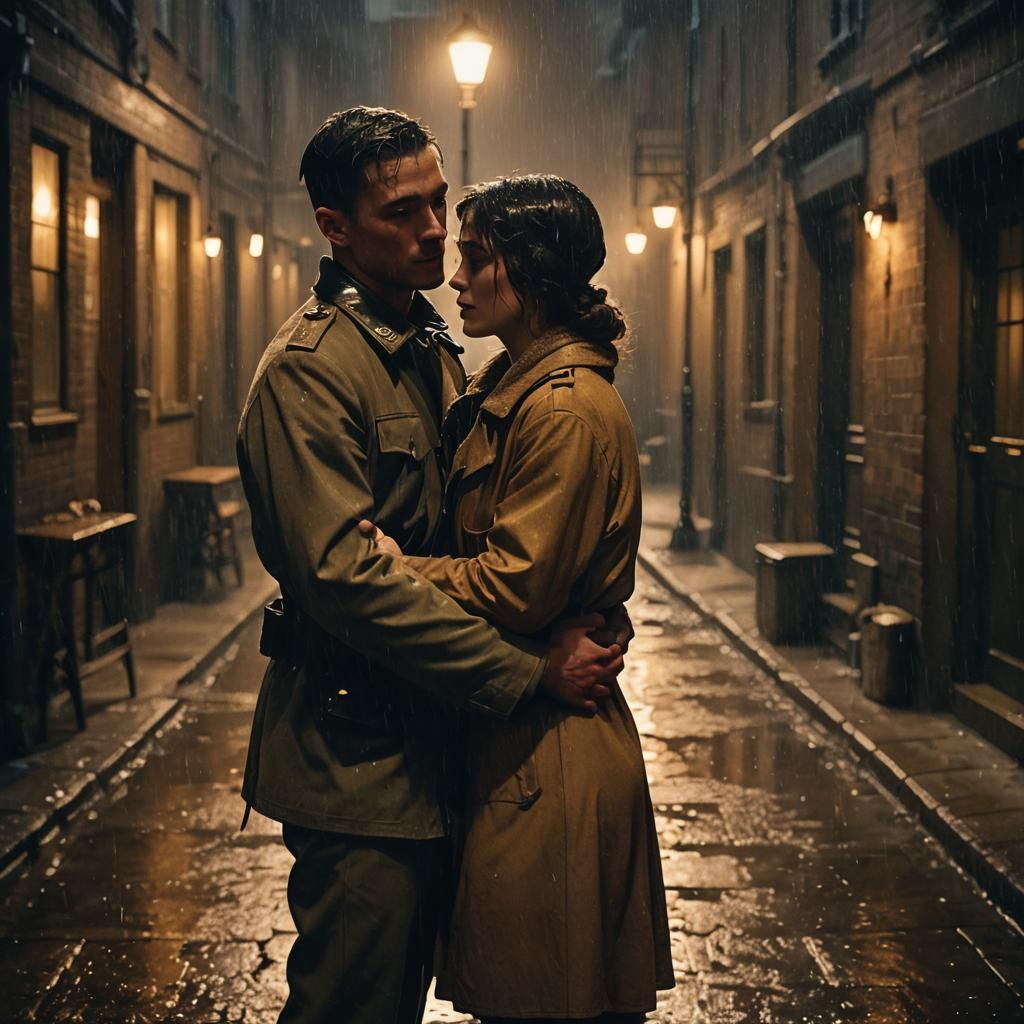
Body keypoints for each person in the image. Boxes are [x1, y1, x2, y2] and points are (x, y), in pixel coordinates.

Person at [236, 109, 625, 1024]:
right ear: (335, 226)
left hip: (435, 747)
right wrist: (530, 671)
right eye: (402, 212)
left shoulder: (430, 347)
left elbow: (478, 535)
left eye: (439, 202)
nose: (434, 230)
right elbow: (348, 584)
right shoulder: (311, 371)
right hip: (357, 760)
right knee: (353, 1004)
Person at [363, 174, 675, 1022]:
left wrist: (397, 567)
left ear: (530, 274)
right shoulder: (517, 389)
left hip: (554, 763)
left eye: (475, 259)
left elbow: (515, 583)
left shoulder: (561, 410)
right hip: (525, 746)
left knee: (545, 1001)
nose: (456, 278)